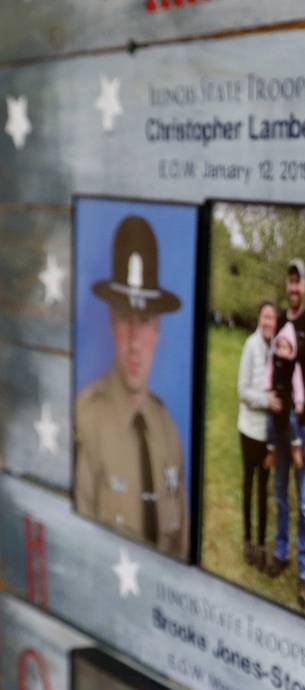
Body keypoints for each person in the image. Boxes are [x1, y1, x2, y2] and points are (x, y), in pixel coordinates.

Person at [74, 214, 189, 560]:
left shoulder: (167, 429)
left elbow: (182, 549)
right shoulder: (85, 419)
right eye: (125, 319)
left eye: (145, 323)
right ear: (110, 322)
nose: (135, 342)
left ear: (158, 331)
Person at [266, 259, 305, 610]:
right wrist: (269, 396)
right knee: (280, 495)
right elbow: (271, 366)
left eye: (298, 282)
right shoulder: (276, 321)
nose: (293, 288)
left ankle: (304, 570)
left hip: (302, 429)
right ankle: (280, 552)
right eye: (289, 281)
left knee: (303, 502)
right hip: (278, 427)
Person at [237, 301, 278, 569]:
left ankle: (262, 545)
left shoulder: (276, 348)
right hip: (248, 430)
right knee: (249, 484)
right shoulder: (251, 346)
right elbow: (242, 390)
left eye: (272, 318)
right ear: (259, 319)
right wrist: (266, 401)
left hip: (267, 435)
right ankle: (248, 540)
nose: (268, 322)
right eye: (264, 317)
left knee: (264, 489)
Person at [265, 320, 305, 470]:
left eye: (286, 347)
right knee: (270, 425)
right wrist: (267, 391)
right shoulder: (273, 360)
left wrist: (300, 401)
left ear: (292, 349)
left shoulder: (294, 365)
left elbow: (298, 384)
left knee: (292, 421)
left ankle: (295, 447)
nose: (282, 350)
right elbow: (268, 376)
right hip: (275, 399)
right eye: (280, 346)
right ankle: (271, 451)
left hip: (288, 400)